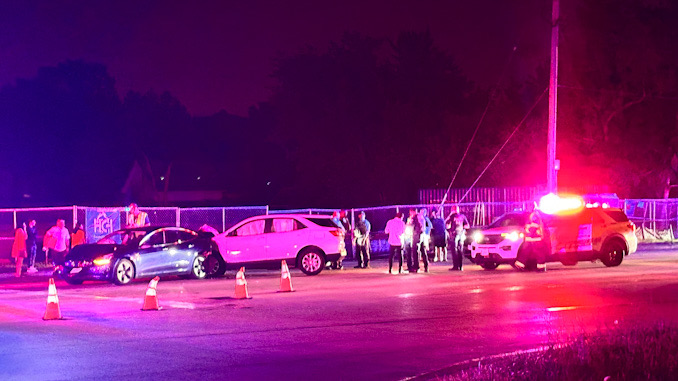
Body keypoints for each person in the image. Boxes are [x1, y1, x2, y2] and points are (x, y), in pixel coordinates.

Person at [447, 205, 470, 271]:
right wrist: (462, 228)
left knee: (454, 251)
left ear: (452, 210)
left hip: (454, 235)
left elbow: (447, 225)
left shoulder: (452, 216)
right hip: (461, 235)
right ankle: (460, 266)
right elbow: (467, 225)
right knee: (460, 251)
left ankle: (455, 266)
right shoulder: (462, 216)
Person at [406, 209, 427, 273]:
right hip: (422, 235)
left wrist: (409, 222)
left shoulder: (415, 218)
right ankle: (426, 266)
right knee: (423, 250)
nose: (410, 214)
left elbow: (412, 226)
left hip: (417, 235)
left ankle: (416, 267)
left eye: (411, 213)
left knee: (415, 251)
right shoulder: (421, 217)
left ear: (413, 212)